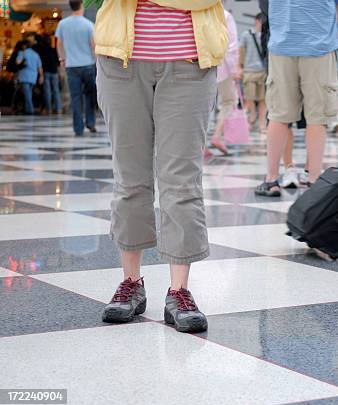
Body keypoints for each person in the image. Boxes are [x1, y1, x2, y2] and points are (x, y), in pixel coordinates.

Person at [94, 0, 228, 332]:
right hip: (120, 62)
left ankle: (179, 292)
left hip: (189, 64)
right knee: (129, 178)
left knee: (181, 181)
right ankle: (131, 284)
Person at [254, 0, 338, 196]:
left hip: (282, 46)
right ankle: (314, 179)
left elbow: (265, 7)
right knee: (318, 117)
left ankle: (271, 179)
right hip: (319, 47)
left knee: (279, 116)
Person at [56, 0, 97, 136]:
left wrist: (62, 59)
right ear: (82, 6)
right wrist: (96, 61)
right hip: (88, 65)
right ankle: (90, 123)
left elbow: (59, 44)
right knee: (90, 95)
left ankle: (78, 128)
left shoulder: (62, 24)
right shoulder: (89, 25)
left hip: (71, 66)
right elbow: (93, 46)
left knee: (75, 97)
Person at [208, 8, 239, 156]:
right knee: (228, 101)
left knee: (203, 106)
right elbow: (231, 45)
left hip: (202, 65)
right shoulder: (225, 16)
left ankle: (201, 146)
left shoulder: (199, 11)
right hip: (222, 67)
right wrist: (234, 69)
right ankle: (217, 136)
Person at [238, 13, 267, 134]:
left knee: (263, 100)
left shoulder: (267, 36)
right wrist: (239, 67)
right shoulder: (246, 35)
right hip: (249, 71)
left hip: (263, 71)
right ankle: (253, 115)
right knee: (249, 98)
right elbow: (241, 52)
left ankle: (262, 124)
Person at [16, 40, 43, 115]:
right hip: (33, 76)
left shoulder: (22, 53)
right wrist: (41, 76)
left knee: (27, 94)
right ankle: (28, 110)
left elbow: (17, 62)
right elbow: (39, 67)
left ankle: (30, 110)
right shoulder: (36, 54)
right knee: (29, 93)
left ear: (25, 46)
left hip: (24, 75)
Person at [38, 35, 62, 115]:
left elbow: (40, 63)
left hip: (46, 72)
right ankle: (59, 109)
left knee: (47, 91)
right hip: (54, 72)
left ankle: (49, 109)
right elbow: (58, 62)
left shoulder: (41, 50)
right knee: (56, 91)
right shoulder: (53, 50)